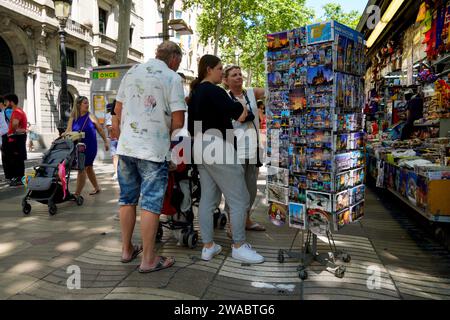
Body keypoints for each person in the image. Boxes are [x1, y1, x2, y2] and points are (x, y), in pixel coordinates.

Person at [113, 41, 185, 273]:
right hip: (152, 150)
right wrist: (166, 139)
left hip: (126, 148)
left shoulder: (132, 71)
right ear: (174, 58)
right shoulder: (172, 77)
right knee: (151, 203)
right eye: (179, 61)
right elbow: (179, 121)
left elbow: (117, 111)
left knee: (127, 199)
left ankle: (126, 250)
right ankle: (149, 259)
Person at [188, 54, 265, 264]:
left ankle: (208, 246)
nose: (222, 72)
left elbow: (190, 127)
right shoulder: (216, 91)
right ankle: (239, 246)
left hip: (199, 146)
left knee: (208, 200)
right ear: (209, 69)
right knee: (239, 198)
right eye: (220, 68)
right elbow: (241, 113)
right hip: (218, 145)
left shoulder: (195, 93)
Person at [222, 65, 266, 233]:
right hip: (235, 149)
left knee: (251, 188)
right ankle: (231, 223)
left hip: (253, 149)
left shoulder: (251, 93)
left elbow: (271, 88)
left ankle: (246, 220)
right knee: (234, 188)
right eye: (234, 75)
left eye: (240, 74)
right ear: (226, 80)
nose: (239, 77)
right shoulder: (224, 97)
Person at [65, 96, 109, 195]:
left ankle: (77, 193)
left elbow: (100, 130)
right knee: (89, 167)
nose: (87, 104)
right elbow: (68, 131)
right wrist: (60, 138)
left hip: (90, 146)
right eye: (85, 103)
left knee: (83, 167)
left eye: (87, 103)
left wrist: (106, 141)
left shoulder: (91, 116)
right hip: (78, 147)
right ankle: (97, 187)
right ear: (78, 105)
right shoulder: (73, 118)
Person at [4, 94, 27, 186]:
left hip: (16, 138)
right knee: (17, 159)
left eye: (6, 101)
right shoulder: (18, 111)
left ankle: (19, 179)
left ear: (11, 102)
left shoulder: (17, 112)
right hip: (16, 138)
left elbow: (15, 125)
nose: (5, 103)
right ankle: (18, 178)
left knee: (17, 159)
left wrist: (12, 132)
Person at [105, 100, 119, 180]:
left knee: (120, 157)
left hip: (120, 139)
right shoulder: (109, 115)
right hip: (114, 138)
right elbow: (108, 127)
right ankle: (116, 172)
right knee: (115, 157)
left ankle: (119, 173)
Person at [0, 96, 10, 180]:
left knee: (6, 158)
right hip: (3, 137)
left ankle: (8, 175)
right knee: (5, 158)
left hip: (5, 137)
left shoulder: (3, 112)